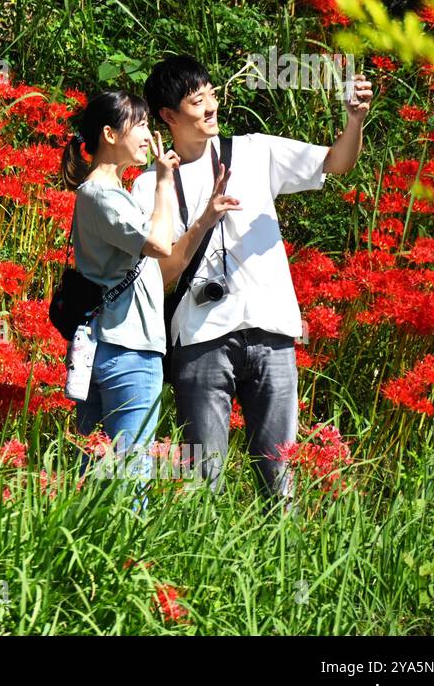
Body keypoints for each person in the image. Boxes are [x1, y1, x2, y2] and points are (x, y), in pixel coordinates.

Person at [131, 55, 372, 502]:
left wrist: (354, 119)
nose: (210, 107)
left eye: (212, 94)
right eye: (197, 100)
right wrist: (202, 221)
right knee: (204, 479)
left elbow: (338, 163)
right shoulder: (151, 185)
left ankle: (280, 563)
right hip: (200, 336)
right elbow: (160, 277)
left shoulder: (255, 150)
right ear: (167, 115)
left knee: (280, 474)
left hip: (271, 328)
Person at [62, 90, 226, 492]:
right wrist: (164, 182)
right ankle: (126, 553)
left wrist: (199, 216)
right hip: (128, 349)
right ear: (109, 134)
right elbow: (159, 245)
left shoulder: (110, 193)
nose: (148, 135)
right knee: (130, 470)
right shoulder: (100, 195)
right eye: (138, 125)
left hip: (109, 344)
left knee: (97, 469)